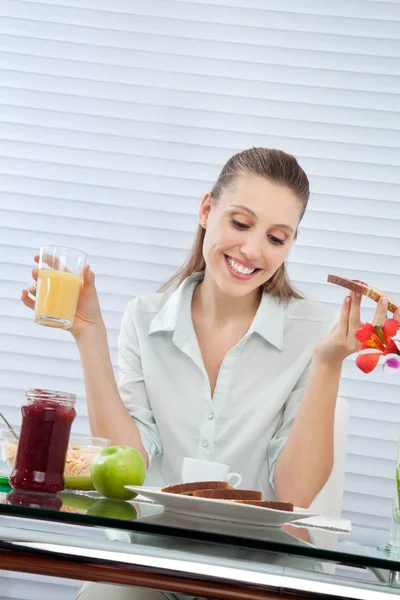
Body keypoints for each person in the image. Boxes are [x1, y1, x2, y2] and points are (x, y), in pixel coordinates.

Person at [21, 148, 397, 600]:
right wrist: (89, 336)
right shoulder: (145, 318)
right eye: (240, 223)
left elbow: (295, 492)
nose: (252, 250)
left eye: (277, 238)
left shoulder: (317, 332)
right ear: (206, 210)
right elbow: (126, 468)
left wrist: (329, 361)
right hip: (153, 564)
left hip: (261, 577)